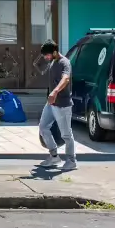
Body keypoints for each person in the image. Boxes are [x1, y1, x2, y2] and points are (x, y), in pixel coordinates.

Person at [37, 40, 77, 171]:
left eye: (47, 55)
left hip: (63, 105)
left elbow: (65, 79)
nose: (46, 58)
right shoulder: (52, 61)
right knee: (43, 127)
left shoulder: (64, 62)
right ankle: (54, 156)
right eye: (45, 56)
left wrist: (55, 91)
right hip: (51, 103)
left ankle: (71, 161)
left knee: (66, 134)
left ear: (55, 52)